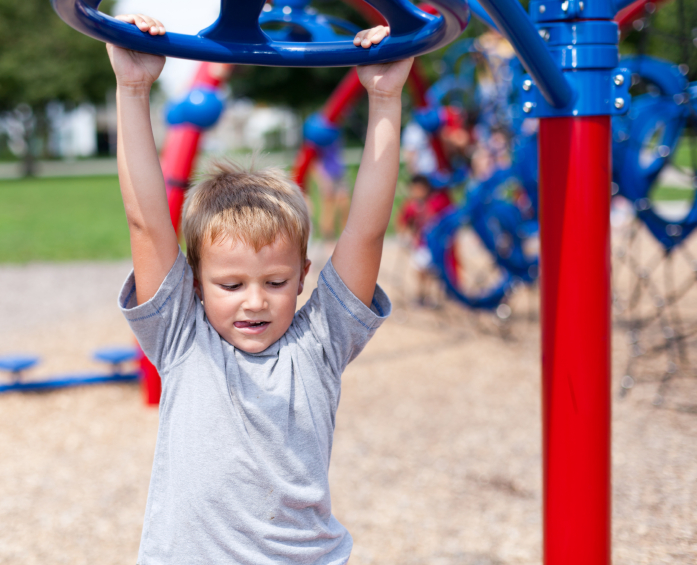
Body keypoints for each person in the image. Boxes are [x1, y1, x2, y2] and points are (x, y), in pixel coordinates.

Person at [107, 13, 412, 564]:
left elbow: (366, 229)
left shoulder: (319, 344)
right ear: (194, 285)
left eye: (275, 281)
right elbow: (147, 223)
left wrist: (385, 101)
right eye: (230, 283)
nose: (254, 300)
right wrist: (133, 89)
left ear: (302, 278)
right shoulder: (181, 340)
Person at [396, 174, 454, 304]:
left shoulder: (435, 203)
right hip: (420, 244)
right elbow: (403, 221)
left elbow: (446, 218)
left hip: (434, 243)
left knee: (434, 271)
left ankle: (433, 295)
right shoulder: (410, 206)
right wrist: (404, 236)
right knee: (420, 269)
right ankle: (421, 293)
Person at [311, 141, 351, 240]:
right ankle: (328, 240)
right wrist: (322, 179)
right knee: (328, 210)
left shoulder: (335, 134)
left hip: (339, 174)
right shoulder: (317, 135)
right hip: (327, 175)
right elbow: (314, 161)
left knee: (344, 206)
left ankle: (345, 238)